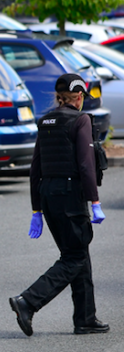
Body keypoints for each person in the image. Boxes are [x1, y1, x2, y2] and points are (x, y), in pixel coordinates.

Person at [9, 73, 108, 337]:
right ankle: (28, 301)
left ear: (58, 97)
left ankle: (85, 318)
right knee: (74, 256)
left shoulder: (45, 121)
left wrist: (36, 210)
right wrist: (94, 200)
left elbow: (35, 168)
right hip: (70, 195)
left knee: (79, 253)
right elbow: (86, 165)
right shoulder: (80, 120)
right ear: (79, 97)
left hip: (48, 195)